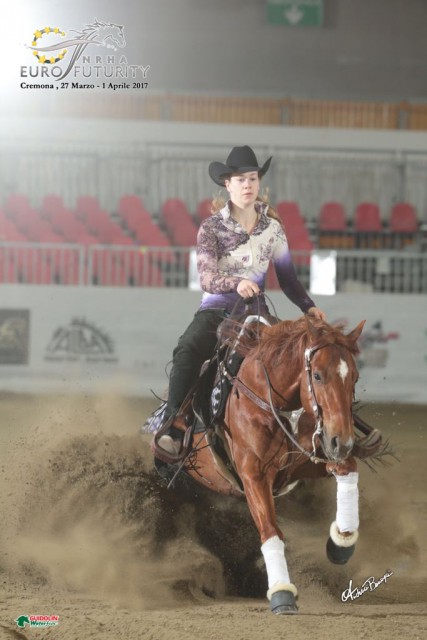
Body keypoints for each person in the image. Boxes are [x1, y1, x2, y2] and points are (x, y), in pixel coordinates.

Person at [157, 145, 326, 456]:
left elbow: (288, 279)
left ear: (259, 183)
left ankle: (324, 428)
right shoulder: (211, 228)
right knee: (187, 351)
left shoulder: (273, 229)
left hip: (257, 316)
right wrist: (238, 283)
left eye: (252, 178)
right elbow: (207, 278)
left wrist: (308, 307)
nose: (248, 185)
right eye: (240, 179)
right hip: (216, 311)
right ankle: (174, 426)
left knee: (300, 357)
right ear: (228, 184)